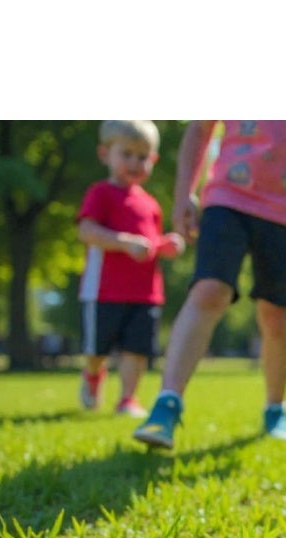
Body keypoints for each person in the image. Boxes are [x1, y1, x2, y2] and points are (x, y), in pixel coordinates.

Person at [134, 121, 286, 449]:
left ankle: (275, 408)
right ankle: (166, 405)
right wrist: (185, 193)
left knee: (277, 313)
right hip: (227, 198)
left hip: (285, 211)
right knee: (210, 290)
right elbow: (199, 131)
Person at [77, 120, 185, 417]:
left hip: (145, 293)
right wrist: (124, 243)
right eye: (127, 154)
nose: (135, 163)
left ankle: (127, 398)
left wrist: (166, 245)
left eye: (143, 156)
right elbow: (86, 231)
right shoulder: (100, 193)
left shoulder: (151, 205)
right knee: (97, 349)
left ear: (154, 160)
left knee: (136, 349)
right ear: (105, 154)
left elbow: (150, 244)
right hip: (103, 290)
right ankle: (93, 374)